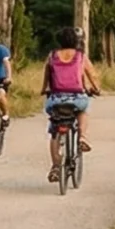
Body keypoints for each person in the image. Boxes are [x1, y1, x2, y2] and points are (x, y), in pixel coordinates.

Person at [43, 27, 102, 181]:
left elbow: (47, 75)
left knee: (54, 130)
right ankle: (82, 137)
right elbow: (92, 75)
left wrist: (44, 89)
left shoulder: (52, 56)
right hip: (76, 97)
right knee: (83, 109)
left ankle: (56, 166)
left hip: (56, 99)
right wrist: (96, 89)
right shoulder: (81, 56)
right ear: (76, 41)